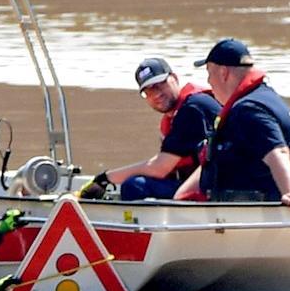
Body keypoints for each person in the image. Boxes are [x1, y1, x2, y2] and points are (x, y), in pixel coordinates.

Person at [173, 39, 290, 212]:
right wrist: (181, 196)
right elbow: (216, 160)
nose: (208, 82)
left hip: (250, 215)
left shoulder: (248, 111)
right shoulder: (266, 99)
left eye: (209, 73)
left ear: (224, 73)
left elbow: (278, 153)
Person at [77, 58, 220, 201]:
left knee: (134, 186)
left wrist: (105, 178)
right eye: (148, 91)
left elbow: (159, 168)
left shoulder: (193, 108)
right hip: (204, 183)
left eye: (159, 85)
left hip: (218, 188)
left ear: (174, 78)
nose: (156, 94)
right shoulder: (177, 115)